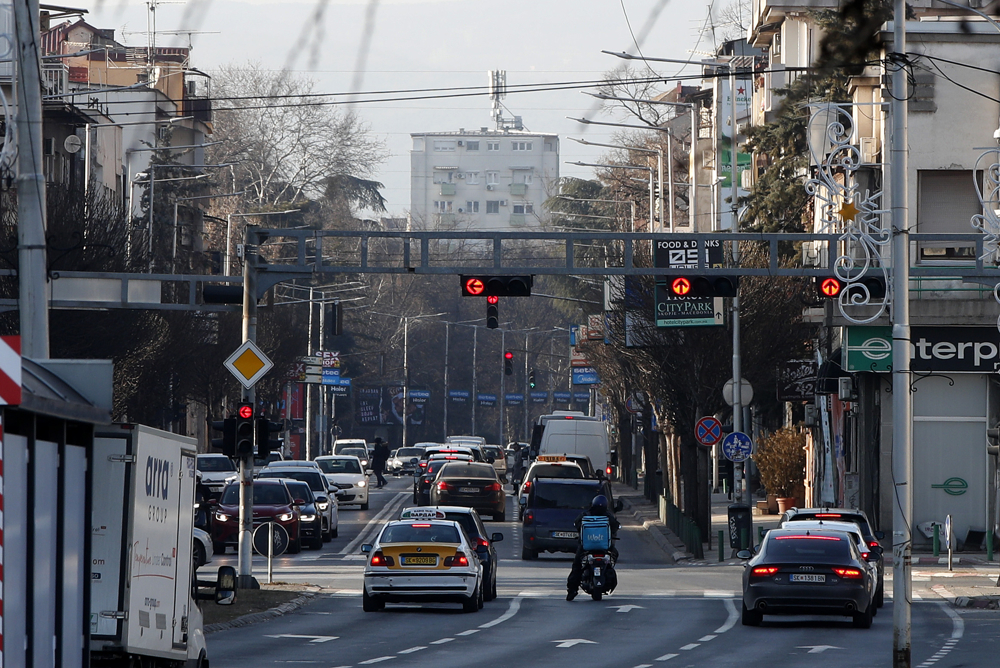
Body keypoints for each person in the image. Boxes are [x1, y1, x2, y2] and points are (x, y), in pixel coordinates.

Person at [566, 494, 620, 601]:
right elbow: (615, 527)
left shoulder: (585, 515)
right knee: (614, 555)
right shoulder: (608, 516)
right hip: (605, 548)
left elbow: (577, 524)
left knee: (577, 567)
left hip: (586, 547)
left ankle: (572, 590)